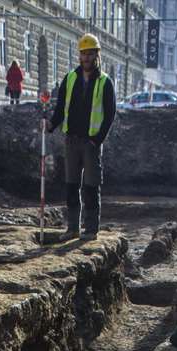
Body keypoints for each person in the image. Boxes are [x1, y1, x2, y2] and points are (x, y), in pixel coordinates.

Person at [46, 33, 116, 241]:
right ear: (79, 55)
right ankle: (73, 228)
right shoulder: (70, 78)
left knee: (91, 186)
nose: (86, 58)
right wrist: (50, 125)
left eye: (90, 54)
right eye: (83, 54)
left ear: (96, 55)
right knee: (71, 185)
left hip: (92, 143)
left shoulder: (105, 82)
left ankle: (91, 229)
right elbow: (60, 109)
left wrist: (98, 140)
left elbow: (110, 114)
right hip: (72, 140)